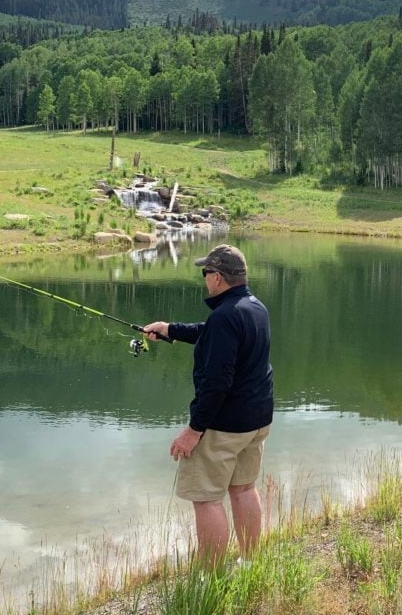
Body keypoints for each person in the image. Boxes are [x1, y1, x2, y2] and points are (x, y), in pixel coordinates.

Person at [143, 244, 273, 569]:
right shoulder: (254, 307)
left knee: (206, 498)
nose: (205, 280)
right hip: (256, 421)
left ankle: (211, 579)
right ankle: (249, 563)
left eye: (206, 274)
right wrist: (170, 330)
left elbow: (216, 384)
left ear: (216, 277)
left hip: (223, 426)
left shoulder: (225, 316)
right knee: (243, 488)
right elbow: (212, 334)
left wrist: (193, 431)